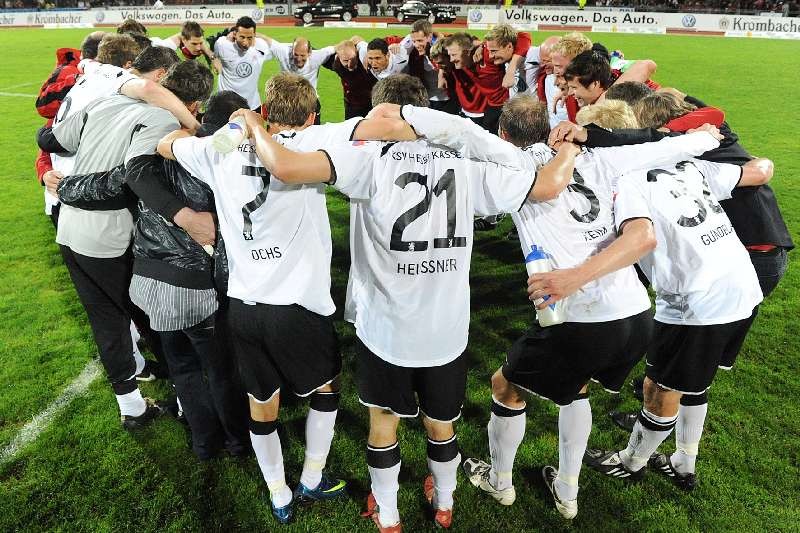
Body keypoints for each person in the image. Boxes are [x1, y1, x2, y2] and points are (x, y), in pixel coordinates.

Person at [236, 74, 582, 531]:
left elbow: (286, 165)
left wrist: (254, 125)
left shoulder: (364, 158)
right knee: (441, 425)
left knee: (383, 422)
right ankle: (445, 504)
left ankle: (389, 514)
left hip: (384, 326)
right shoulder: (468, 162)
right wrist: (571, 144)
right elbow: (548, 186)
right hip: (446, 328)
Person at [392, 95, 724, 520]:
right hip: (635, 313)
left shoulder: (514, 165)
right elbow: (664, 148)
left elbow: (463, 147)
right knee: (574, 387)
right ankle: (566, 491)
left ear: (504, 134)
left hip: (578, 314)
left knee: (505, 387)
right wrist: (703, 137)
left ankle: (500, 481)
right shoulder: (604, 160)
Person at [156, 72, 405, 524]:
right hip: (297, 306)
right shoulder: (312, 142)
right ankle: (311, 477)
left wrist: (224, 130)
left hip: (243, 305)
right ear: (310, 116)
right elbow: (381, 127)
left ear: (266, 110)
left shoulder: (216, 152)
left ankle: (278, 493)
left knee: (262, 401)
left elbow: (166, 144)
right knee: (326, 389)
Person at [556, 155, 773, 490]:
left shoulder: (627, 179)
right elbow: (759, 172)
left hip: (697, 302)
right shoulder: (686, 161)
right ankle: (684, 462)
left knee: (660, 388)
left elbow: (641, 238)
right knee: (695, 381)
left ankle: (631, 463)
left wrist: (576, 276)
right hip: (742, 285)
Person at [36, 60, 213, 430]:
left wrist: (56, 179)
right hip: (110, 238)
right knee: (158, 321)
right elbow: (131, 178)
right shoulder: (164, 122)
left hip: (69, 231)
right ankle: (187, 401)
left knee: (106, 322)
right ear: (195, 105)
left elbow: (51, 138)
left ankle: (132, 408)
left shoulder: (108, 101)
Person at [127, 90, 251, 460]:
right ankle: (237, 442)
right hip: (193, 287)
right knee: (220, 370)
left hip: (148, 282)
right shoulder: (222, 158)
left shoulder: (161, 151)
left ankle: (204, 443)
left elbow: (129, 173)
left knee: (182, 366)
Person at [260, 35, 335, 123]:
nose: (299, 59)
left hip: (308, 102)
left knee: (311, 130)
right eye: (296, 54)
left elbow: (337, 47)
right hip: (289, 103)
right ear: (292, 50)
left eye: (302, 55)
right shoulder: (283, 52)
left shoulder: (317, 56)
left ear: (309, 52)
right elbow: (267, 40)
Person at [213, 16, 273, 111]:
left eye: (249, 38)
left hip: (252, 106)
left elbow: (278, 48)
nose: (245, 42)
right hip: (226, 106)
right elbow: (211, 51)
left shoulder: (262, 46)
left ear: (254, 35)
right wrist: (214, 60)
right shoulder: (222, 45)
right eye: (242, 37)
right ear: (235, 34)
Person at [323, 38, 377, 119]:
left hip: (374, 105)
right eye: (345, 60)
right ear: (338, 57)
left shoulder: (367, 60)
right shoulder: (336, 63)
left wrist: (394, 46)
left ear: (356, 52)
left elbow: (382, 49)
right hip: (352, 107)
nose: (349, 64)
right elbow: (314, 54)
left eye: (352, 59)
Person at [150, 21, 223, 74]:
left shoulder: (207, 46)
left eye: (200, 43)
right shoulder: (170, 49)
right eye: (194, 44)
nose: (198, 48)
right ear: (183, 39)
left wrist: (213, 57)